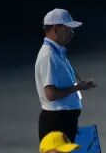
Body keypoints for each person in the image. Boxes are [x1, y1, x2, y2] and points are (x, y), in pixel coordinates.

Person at [36, 9, 95, 142]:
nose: (72, 33)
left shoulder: (56, 53)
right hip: (57, 123)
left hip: (63, 121)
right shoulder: (48, 56)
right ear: (56, 29)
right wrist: (78, 87)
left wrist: (72, 122)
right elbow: (50, 94)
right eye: (68, 29)